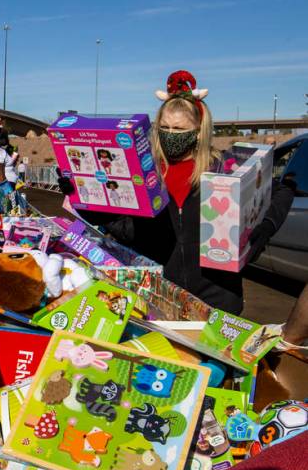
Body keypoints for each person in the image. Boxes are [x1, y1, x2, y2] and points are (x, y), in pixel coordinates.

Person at [70, 70, 294, 314]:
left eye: (178, 129)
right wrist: (86, 202)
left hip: (218, 298)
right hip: (159, 296)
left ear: (198, 131)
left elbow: (280, 192)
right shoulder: (146, 176)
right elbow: (128, 231)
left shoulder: (225, 167)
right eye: (164, 127)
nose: (170, 134)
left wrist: (260, 231)